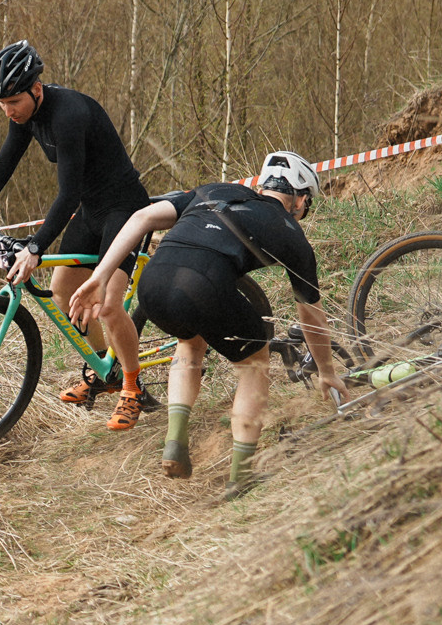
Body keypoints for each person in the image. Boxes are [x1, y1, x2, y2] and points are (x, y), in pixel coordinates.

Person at [67, 150, 348, 496]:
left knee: (190, 342)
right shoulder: (291, 231)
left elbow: (141, 218)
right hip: (203, 284)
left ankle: (175, 441)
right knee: (255, 364)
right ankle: (241, 475)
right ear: (299, 198)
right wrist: (327, 371)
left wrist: (101, 275)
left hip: (153, 285)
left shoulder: (215, 189)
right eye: (307, 205)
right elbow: (311, 314)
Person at [0, 41, 155, 430]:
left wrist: (37, 246)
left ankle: (133, 387)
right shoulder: (25, 116)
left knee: (105, 304)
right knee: (62, 292)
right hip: (91, 212)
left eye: (13, 101)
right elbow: (4, 163)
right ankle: (107, 373)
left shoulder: (68, 114)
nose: (8, 110)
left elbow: (66, 193)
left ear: (36, 90)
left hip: (125, 211)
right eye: (1, 103)